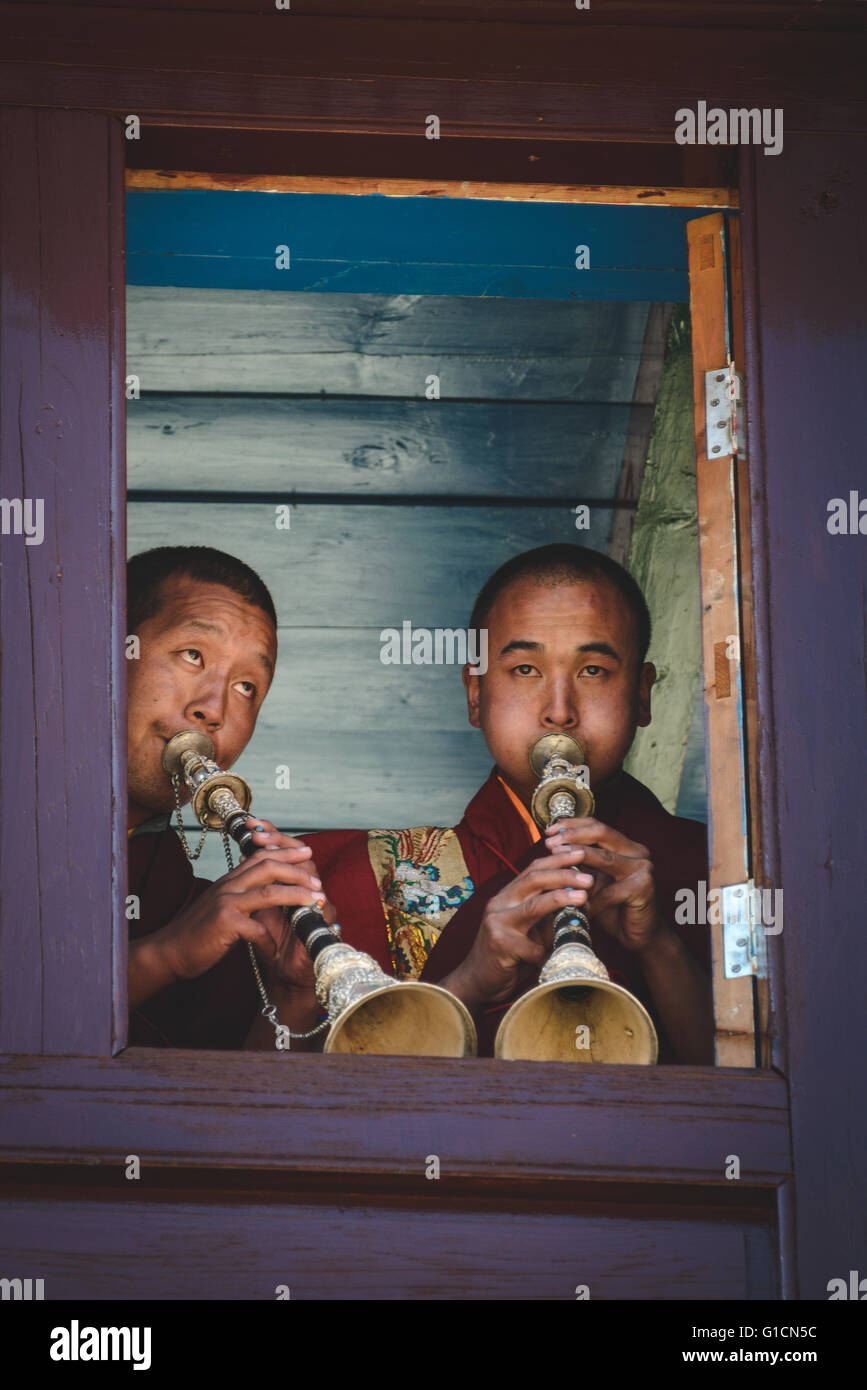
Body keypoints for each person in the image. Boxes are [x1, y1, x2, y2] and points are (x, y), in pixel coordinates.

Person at [309, 544, 713, 1063]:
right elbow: (343, 1098)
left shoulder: (710, 866)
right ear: (475, 693)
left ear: (641, 694)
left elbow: (771, 1087)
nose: (559, 711)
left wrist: (658, 946)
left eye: (593, 671)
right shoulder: (376, 878)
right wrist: (471, 981)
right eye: (525, 669)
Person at [126, 546, 332, 1050]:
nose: (213, 710)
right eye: (193, 655)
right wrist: (162, 959)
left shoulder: (192, 905)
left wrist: (293, 991)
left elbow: (233, 1121)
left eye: (245, 687)